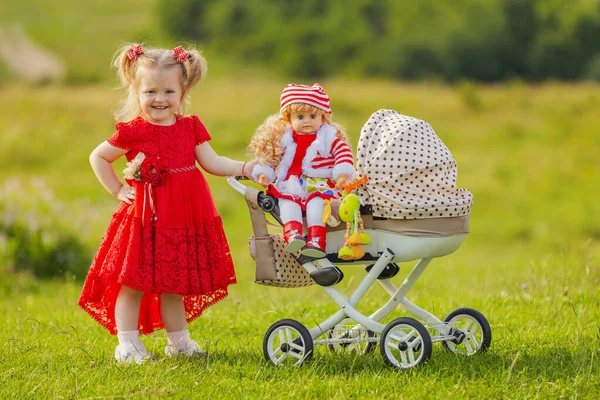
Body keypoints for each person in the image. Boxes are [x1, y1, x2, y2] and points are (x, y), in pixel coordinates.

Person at [78, 43, 256, 364]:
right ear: (136, 91)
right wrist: (119, 189)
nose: (159, 98)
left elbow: (213, 162)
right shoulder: (135, 131)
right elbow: (99, 157)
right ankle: (127, 346)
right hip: (145, 218)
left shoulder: (189, 127)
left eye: (168, 91)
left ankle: (179, 342)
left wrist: (245, 168)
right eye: (150, 91)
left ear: (183, 91)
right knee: (133, 281)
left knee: (173, 282)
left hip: (182, 217)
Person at [248, 83, 355, 258]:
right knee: (287, 204)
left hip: (318, 184)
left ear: (323, 117)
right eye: (300, 116)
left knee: (316, 206)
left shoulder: (328, 137)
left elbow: (343, 152)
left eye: (313, 116)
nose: (307, 121)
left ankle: (316, 241)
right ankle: (293, 234)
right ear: (289, 118)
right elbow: (272, 158)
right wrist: (264, 172)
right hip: (290, 184)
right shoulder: (284, 139)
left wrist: (342, 173)